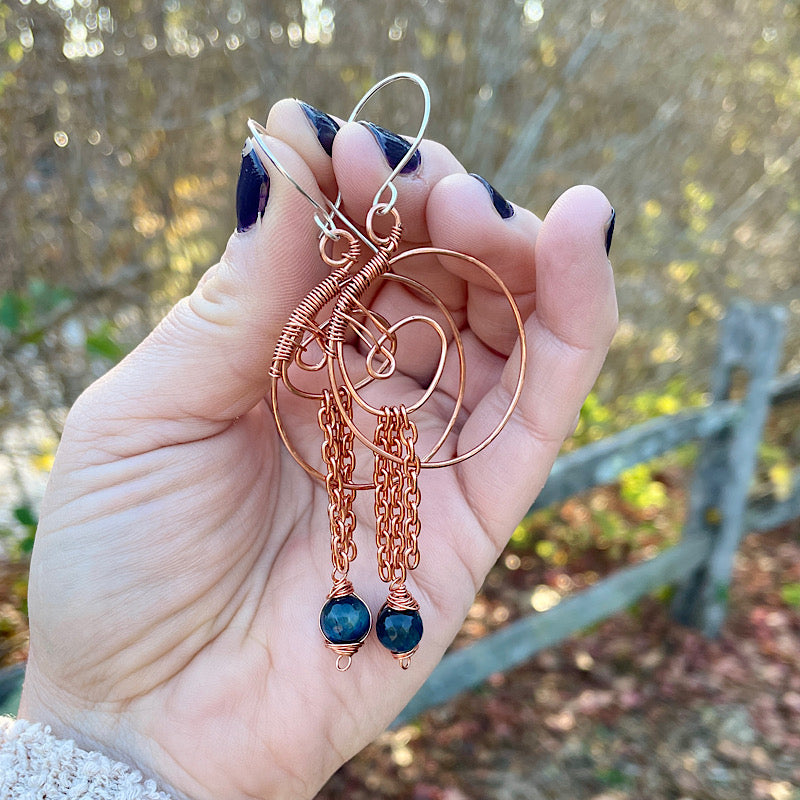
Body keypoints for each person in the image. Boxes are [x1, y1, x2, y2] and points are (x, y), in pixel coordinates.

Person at [0, 98, 617, 799]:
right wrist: (102, 731)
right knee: (376, 543)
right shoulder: (323, 355)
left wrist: (103, 750)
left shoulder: (367, 354)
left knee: (387, 531)